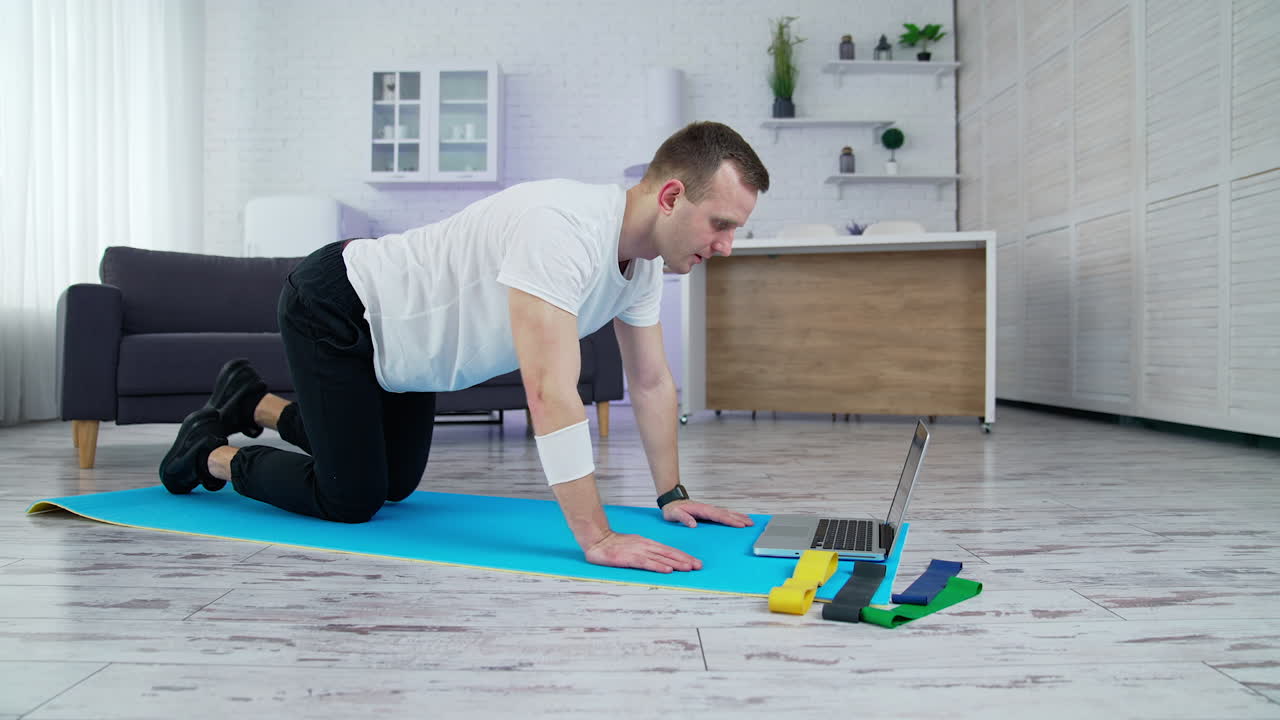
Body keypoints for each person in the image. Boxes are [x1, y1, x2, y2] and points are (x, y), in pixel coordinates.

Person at [159, 121, 769, 574]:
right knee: (351, 497)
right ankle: (209, 451)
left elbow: (653, 381)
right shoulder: (564, 229)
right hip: (341, 307)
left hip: (407, 353)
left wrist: (672, 495)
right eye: (721, 224)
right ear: (669, 197)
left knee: (395, 484)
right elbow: (549, 389)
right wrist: (597, 537)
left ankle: (254, 402)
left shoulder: (641, 268)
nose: (727, 246)